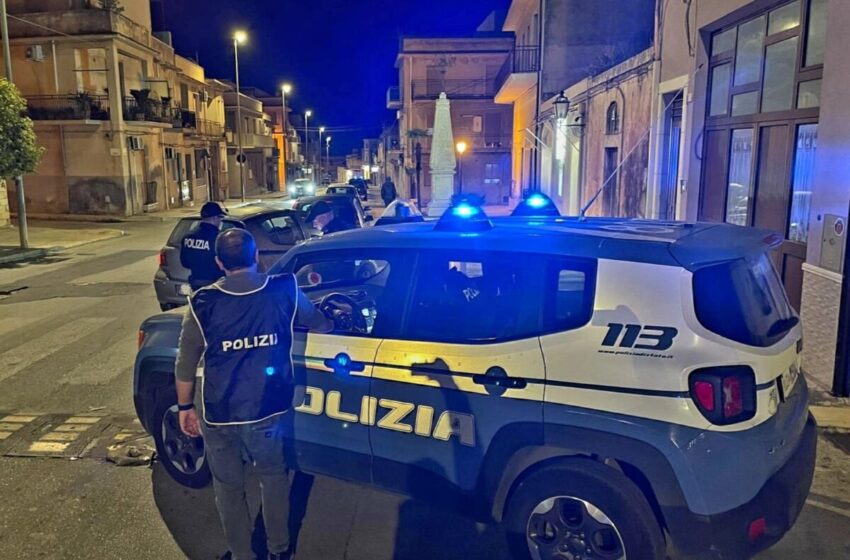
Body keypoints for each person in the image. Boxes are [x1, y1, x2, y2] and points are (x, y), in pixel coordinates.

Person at [175, 229, 333, 560]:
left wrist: (185, 407)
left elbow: (185, 363)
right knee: (273, 479)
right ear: (256, 257)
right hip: (268, 407)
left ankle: (241, 554)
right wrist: (333, 323)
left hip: (220, 413)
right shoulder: (285, 288)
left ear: (219, 263)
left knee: (228, 488)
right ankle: (279, 549)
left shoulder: (202, 303)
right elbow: (319, 322)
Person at [180, 201, 227, 291]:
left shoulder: (188, 237)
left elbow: (184, 263)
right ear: (214, 218)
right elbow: (226, 264)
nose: (220, 221)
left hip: (196, 285)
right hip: (216, 286)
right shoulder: (219, 238)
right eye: (220, 217)